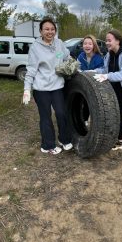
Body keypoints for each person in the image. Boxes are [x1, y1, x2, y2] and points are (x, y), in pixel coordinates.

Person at [22, 18, 73, 155]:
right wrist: (27, 89)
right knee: (46, 117)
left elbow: (67, 57)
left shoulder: (59, 43)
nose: (50, 32)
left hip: (57, 86)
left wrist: (73, 65)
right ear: (41, 31)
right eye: (47, 29)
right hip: (41, 88)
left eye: (52, 29)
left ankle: (64, 139)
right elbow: (31, 70)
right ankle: (48, 145)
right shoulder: (35, 47)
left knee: (62, 113)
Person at [94, 29, 122, 150]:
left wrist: (107, 76)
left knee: (119, 115)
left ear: (117, 41)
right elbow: (104, 70)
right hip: (112, 91)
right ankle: (114, 138)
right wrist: (92, 72)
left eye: (109, 40)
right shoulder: (109, 54)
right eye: (106, 40)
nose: (107, 43)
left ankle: (120, 141)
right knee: (112, 114)